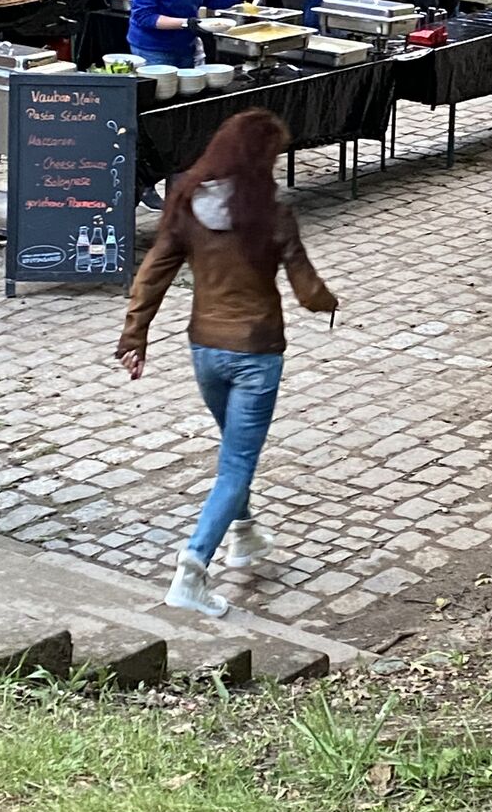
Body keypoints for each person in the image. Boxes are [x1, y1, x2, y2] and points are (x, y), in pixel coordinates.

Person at [115, 110, 339, 617]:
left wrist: (134, 336)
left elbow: (152, 276)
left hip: (206, 351)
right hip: (257, 353)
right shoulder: (273, 213)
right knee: (237, 462)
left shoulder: (187, 205)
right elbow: (307, 291)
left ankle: (244, 533)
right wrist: (330, 302)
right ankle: (192, 569)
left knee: (234, 453)